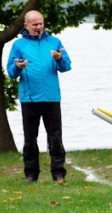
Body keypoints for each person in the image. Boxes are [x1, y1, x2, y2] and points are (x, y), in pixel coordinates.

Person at [6, 10, 71, 183]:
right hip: (29, 98)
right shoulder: (19, 45)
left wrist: (59, 58)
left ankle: (58, 173)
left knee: (55, 137)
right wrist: (18, 67)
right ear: (26, 25)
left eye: (41, 23)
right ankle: (31, 174)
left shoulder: (54, 41)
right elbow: (11, 72)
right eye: (34, 24)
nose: (38, 27)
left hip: (51, 97)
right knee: (30, 139)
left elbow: (66, 66)